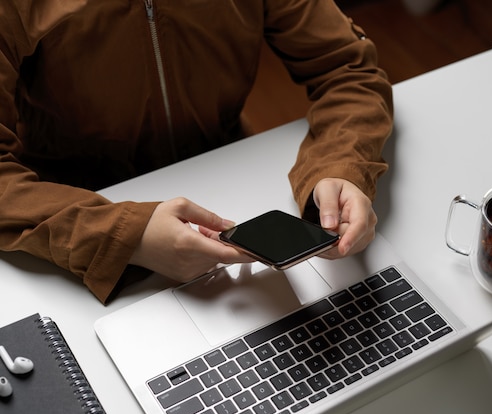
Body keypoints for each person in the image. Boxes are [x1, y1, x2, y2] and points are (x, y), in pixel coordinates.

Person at [0, 0, 393, 304]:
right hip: (67, 218)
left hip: (231, 189)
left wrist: (342, 164)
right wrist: (126, 236)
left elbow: (347, 69)